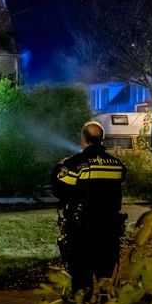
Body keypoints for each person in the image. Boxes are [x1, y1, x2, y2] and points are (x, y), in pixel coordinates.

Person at [52, 120, 127, 291]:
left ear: (84, 139)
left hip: (82, 232)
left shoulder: (76, 164)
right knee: (107, 280)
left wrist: (59, 167)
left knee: (81, 280)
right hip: (109, 230)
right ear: (102, 139)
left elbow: (59, 189)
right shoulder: (117, 165)